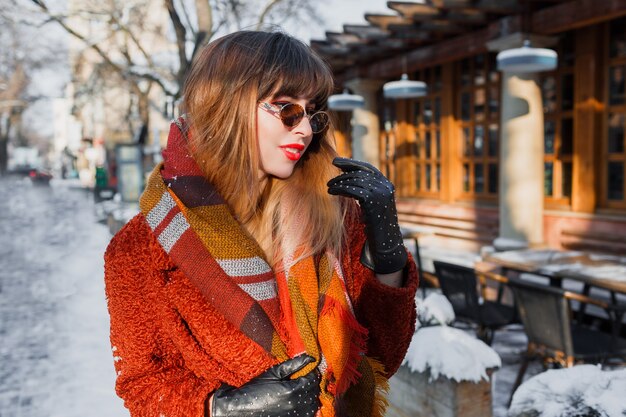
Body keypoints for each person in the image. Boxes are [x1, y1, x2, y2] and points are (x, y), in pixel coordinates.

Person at [104, 30, 418, 417]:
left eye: (312, 113)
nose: (304, 129)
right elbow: (142, 383)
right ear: (226, 106)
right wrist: (221, 408)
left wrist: (387, 255)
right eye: (287, 109)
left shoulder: (334, 214)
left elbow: (383, 356)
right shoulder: (141, 246)